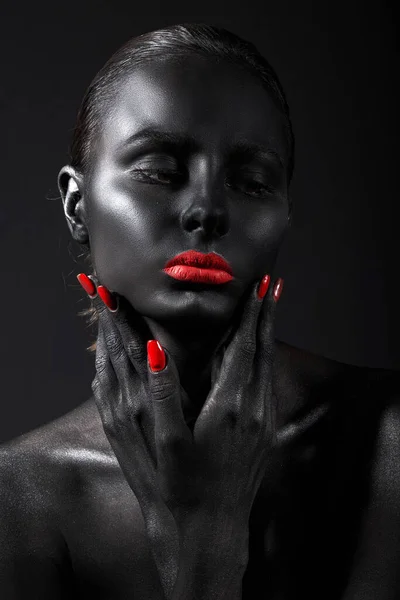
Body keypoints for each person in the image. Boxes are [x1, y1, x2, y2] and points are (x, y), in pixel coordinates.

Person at [0, 22, 399, 600]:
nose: (207, 209)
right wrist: (200, 555)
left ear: (285, 213)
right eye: (161, 172)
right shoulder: (19, 496)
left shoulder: (387, 440)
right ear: (76, 205)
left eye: (252, 181)